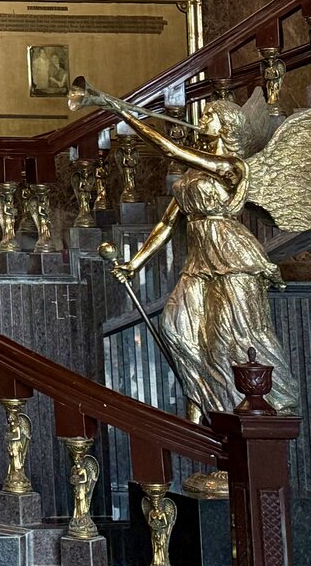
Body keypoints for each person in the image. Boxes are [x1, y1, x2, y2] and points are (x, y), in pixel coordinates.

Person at [106, 97, 297, 427]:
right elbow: (167, 224)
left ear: (225, 125)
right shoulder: (193, 174)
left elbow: (171, 150)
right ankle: (203, 399)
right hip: (199, 259)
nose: (202, 119)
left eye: (209, 115)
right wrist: (135, 262)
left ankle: (266, 404)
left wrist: (123, 113)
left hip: (232, 255)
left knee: (238, 333)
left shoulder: (234, 165)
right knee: (176, 327)